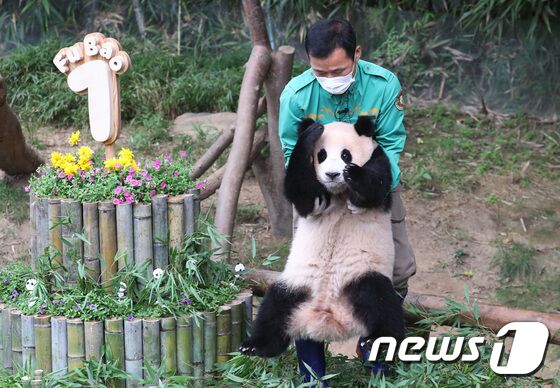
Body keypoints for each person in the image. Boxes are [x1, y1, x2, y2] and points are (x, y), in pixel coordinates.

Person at [278, 18, 416, 382]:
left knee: (398, 271)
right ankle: (312, 372)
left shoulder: (384, 87)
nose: (329, 78)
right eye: (319, 71)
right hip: (318, 189)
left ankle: (376, 352)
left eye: (337, 70)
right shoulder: (296, 94)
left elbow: (390, 148)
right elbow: (293, 153)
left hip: (370, 186)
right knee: (307, 279)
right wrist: (317, 192)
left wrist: (367, 190)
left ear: (357, 54)